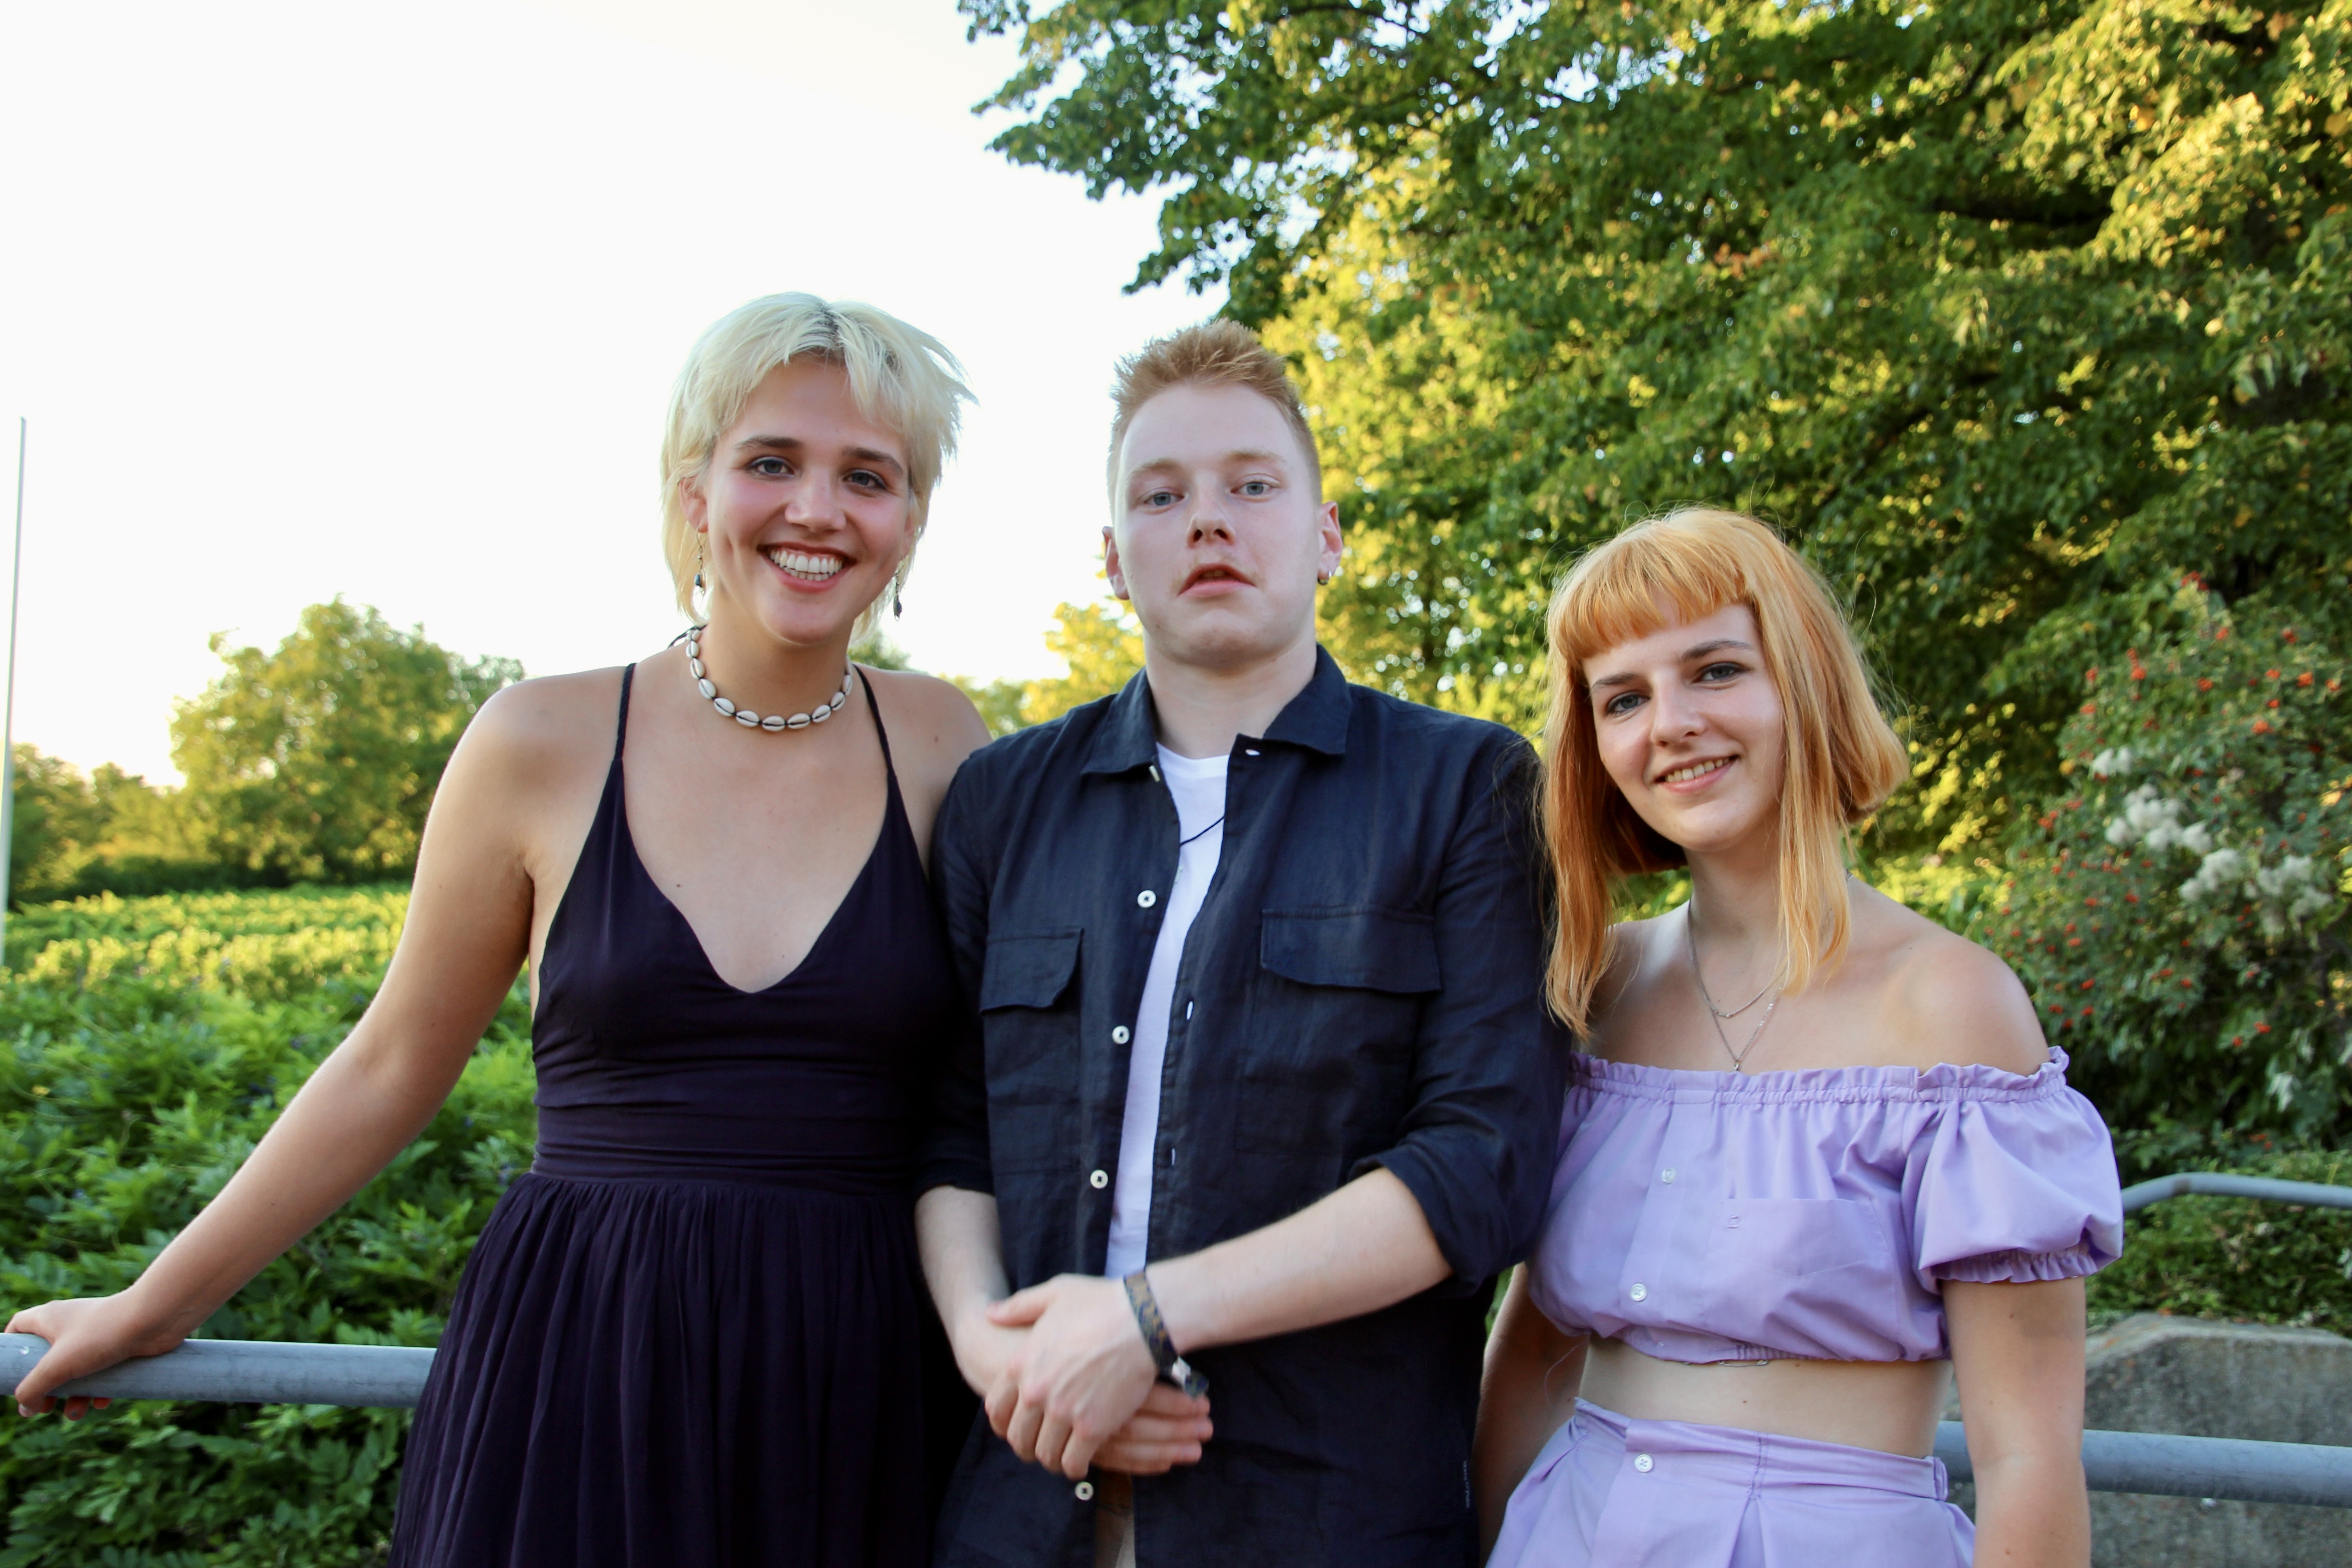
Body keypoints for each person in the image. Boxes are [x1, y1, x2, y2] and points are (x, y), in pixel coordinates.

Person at [7, 293, 992, 1568]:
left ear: (909, 521)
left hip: (858, 1381)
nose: (817, 509)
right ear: (695, 493)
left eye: (867, 476)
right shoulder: (538, 739)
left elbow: (1018, 1089)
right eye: (771, 462)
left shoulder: (947, 746)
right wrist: (155, 1307)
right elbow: (390, 1064)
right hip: (579, 1359)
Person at [916, 318, 1566, 1568]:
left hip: (1321, 1519)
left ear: (1328, 536)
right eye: (1162, 495)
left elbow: (1480, 1164)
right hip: (1021, 1512)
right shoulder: (1002, 802)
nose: (1208, 519)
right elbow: (952, 1132)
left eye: (1252, 486)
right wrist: (1007, 1362)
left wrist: (1141, 1322)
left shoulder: (1469, 789)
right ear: (1115, 560)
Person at [1475, 508, 2123, 1568]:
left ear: (1805, 683)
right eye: (1624, 698)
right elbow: (1534, 1349)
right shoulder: (1596, 987)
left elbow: (2029, 1460)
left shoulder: (1951, 1007)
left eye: (1716, 671)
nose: (1671, 723)